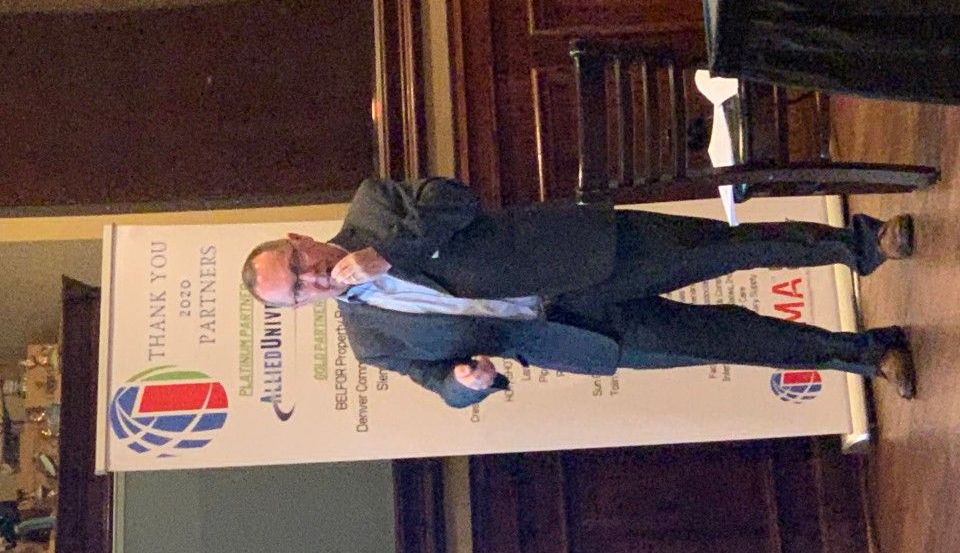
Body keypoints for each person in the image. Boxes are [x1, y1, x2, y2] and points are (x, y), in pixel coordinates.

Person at [241, 177, 917, 409]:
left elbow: (456, 201)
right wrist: (466, 383)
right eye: (295, 293)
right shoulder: (369, 342)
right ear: (299, 308)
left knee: (727, 249)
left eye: (296, 265)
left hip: (583, 256)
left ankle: (861, 243)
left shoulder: (372, 208)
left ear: (301, 239)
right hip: (572, 336)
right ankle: (865, 354)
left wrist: (386, 252)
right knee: (731, 340)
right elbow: (435, 382)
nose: (309, 281)